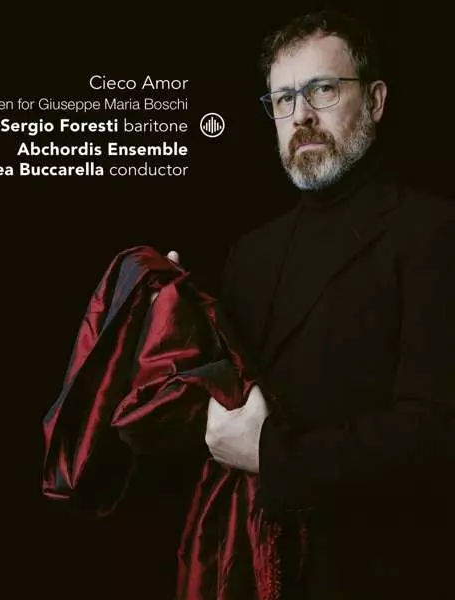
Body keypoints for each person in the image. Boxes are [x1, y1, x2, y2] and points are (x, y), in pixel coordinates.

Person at [170, 9, 454, 599]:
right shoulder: (250, 254)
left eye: (322, 89)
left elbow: (436, 435)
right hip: (258, 573)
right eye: (283, 99)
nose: (300, 115)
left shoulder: (433, 233)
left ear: (375, 100)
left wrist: (273, 458)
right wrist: (166, 323)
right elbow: (217, 425)